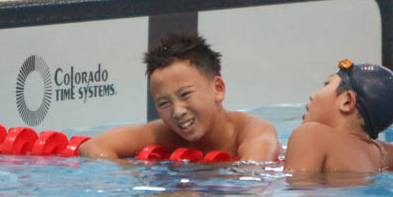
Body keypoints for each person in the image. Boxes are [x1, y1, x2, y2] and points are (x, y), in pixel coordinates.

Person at [80, 32, 282, 162]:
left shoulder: (254, 131)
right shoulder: (166, 133)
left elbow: (252, 179)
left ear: (218, 89)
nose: (177, 111)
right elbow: (93, 147)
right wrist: (132, 171)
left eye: (185, 94)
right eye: (163, 103)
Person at [284, 59, 393, 176]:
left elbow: (300, 195)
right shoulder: (382, 154)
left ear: (347, 101)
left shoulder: (311, 135)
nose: (312, 95)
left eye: (326, 85)